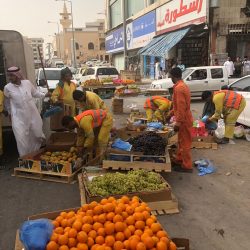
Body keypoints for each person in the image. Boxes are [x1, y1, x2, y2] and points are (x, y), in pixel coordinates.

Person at [4, 66, 48, 156]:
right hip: (18, 118)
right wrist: (9, 113)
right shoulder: (7, 88)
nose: (10, 78)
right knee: (21, 140)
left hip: (32, 115)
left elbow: (35, 93)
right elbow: (7, 102)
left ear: (18, 75)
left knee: (37, 135)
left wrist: (45, 95)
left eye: (12, 76)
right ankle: (25, 160)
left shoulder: (27, 83)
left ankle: (33, 155)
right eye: (9, 76)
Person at [169, 68, 193, 173]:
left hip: (184, 120)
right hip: (184, 118)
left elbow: (181, 107)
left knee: (185, 143)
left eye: (170, 76)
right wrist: (169, 114)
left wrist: (178, 122)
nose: (170, 79)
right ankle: (179, 160)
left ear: (174, 76)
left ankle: (187, 166)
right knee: (181, 141)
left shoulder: (179, 88)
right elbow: (177, 106)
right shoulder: (181, 86)